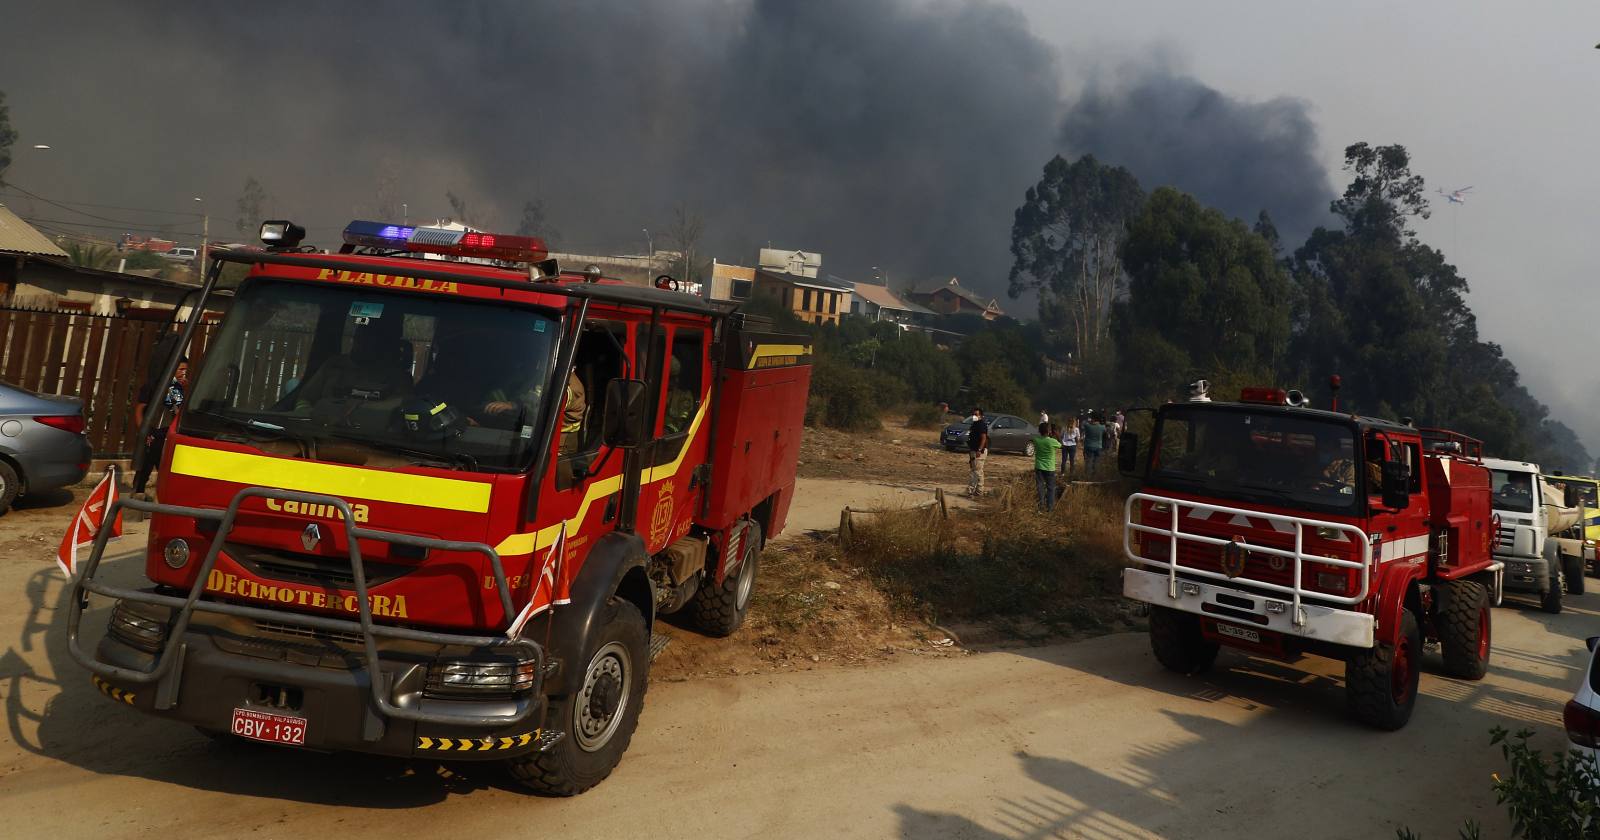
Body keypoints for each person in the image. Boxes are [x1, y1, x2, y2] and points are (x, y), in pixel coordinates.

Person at [293, 322, 413, 414]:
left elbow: (402, 410)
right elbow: (305, 398)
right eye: (359, 338)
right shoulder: (334, 365)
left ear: (382, 344)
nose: (362, 344)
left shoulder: (397, 377)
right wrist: (306, 414)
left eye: (369, 340)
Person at [133, 357, 188, 495]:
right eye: (181, 369)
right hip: (152, 431)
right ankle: (138, 492)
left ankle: (162, 493)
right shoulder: (154, 386)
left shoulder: (178, 388)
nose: (183, 373)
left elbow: (178, 410)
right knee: (147, 464)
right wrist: (143, 431)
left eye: (185, 370)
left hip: (167, 431)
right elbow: (139, 409)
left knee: (163, 464)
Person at [1032, 421, 1062, 511]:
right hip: (1049, 468)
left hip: (1039, 467)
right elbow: (1061, 445)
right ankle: (1050, 508)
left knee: (1040, 487)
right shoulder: (1052, 441)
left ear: (1039, 431)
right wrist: (1057, 435)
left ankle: (1041, 505)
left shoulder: (1036, 440)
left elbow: (1041, 439)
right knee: (1050, 488)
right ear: (1049, 431)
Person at [966, 407, 989, 497]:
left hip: (979, 451)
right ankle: (979, 491)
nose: (974, 416)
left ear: (981, 416)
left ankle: (971, 491)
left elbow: (984, 438)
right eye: (973, 414)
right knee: (978, 471)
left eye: (976, 415)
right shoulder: (974, 424)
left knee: (976, 472)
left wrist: (979, 450)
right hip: (973, 450)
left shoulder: (981, 425)